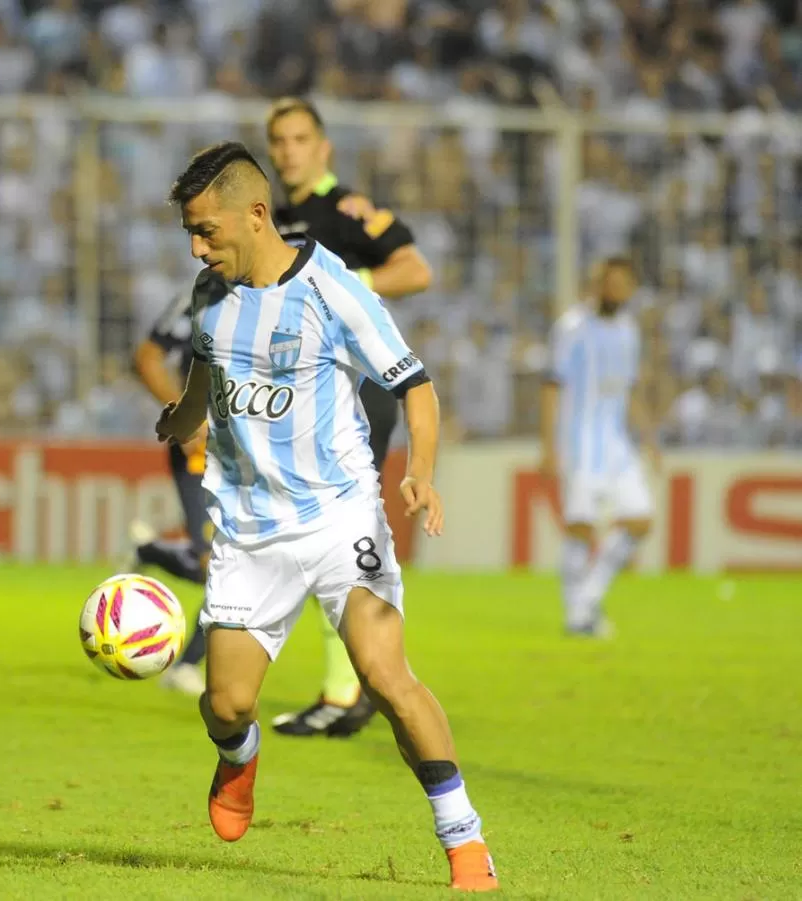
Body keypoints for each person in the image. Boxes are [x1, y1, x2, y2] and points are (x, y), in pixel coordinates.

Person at [155, 141, 498, 893]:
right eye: (189, 231)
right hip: (249, 532)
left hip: (344, 518)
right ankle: (239, 760)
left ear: (254, 213)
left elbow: (417, 386)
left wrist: (424, 476)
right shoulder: (209, 298)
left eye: (206, 230)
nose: (195, 245)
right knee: (226, 703)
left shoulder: (332, 288)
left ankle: (464, 838)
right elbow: (203, 384)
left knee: (385, 674)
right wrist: (179, 423)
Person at [266, 96, 433, 738]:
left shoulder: (344, 211)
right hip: (303, 398)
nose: (288, 151)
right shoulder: (275, 220)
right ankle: (349, 688)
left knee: (339, 538)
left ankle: (353, 689)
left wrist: (346, 280)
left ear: (323, 146)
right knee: (316, 540)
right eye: (279, 140)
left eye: (300, 138)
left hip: (357, 393)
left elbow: (416, 269)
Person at [540, 256, 658, 636]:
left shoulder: (628, 329)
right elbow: (551, 385)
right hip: (579, 441)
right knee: (580, 526)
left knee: (641, 519)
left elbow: (629, 389)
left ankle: (587, 599)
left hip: (617, 443)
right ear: (599, 284)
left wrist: (649, 438)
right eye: (611, 282)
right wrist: (548, 446)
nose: (616, 290)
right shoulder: (573, 327)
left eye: (624, 284)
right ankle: (577, 615)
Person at [125, 291, 212, 695]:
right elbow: (147, 356)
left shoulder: (289, 291)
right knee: (216, 566)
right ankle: (188, 665)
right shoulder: (203, 296)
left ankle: (151, 552)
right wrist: (184, 414)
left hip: (261, 455)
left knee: (227, 567)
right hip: (203, 454)